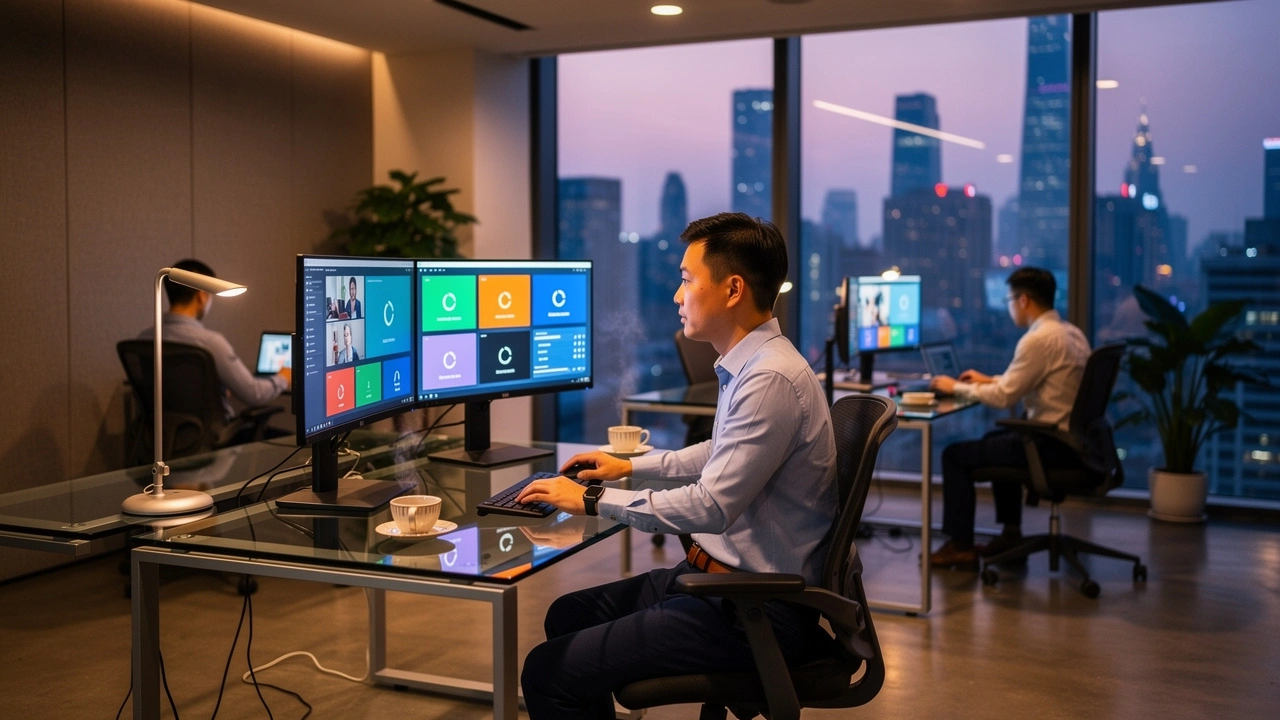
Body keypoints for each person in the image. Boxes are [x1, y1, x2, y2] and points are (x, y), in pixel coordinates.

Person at [514, 212, 839, 719]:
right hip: (721, 581)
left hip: (755, 609)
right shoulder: (755, 363)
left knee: (547, 672)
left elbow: (711, 505)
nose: (676, 295)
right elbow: (720, 452)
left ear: (732, 290)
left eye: (687, 280)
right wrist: (630, 466)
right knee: (567, 615)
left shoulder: (770, 378)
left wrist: (592, 499)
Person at [927, 267, 1091, 570]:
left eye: (1009, 300)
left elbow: (1005, 398)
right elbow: (1030, 382)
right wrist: (987, 380)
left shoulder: (1037, 340)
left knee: (954, 456)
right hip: (1076, 443)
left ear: (1024, 300)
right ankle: (1011, 534)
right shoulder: (1071, 334)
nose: (1010, 307)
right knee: (996, 440)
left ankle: (961, 546)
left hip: (1052, 446)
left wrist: (955, 387)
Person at [138, 259, 290, 438]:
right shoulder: (210, 343)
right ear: (202, 296)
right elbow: (253, 394)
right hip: (216, 440)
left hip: (166, 439)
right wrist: (283, 377)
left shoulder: (145, 339)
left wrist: (212, 388)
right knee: (289, 442)